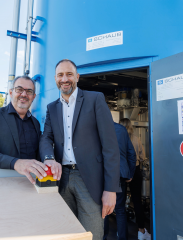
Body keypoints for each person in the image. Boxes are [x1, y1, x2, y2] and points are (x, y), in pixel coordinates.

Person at [39, 59, 121, 240]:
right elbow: (46, 137)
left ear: (77, 77)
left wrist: (111, 189)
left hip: (90, 180)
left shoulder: (95, 99)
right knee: (65, 231)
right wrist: (49, 157)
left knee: (92, 233)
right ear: (55, 79)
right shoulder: (52, 108)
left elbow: (110, 146)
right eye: (60, 75)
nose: (64, 79)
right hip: (62, 177)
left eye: (69, 74)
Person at [0, 76, 49, 184]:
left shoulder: (35, 123)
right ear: (11, 92)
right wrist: (16, 163)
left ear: (33, 96)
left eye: (29, 91)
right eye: (19, 89)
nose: (24, 94)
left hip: (30, 184)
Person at [103, 122, 136, 240]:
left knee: (104, 209)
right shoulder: (121, 129)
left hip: (105, 173)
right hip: (121, 173)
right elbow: (131, 153)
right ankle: (123, 238)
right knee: (120, 209)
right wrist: (130, 173)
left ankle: (104, 237)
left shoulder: (99, 127)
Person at [120, 118, 151, 240]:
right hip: (135, 171)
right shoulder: (136, 139)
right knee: (137, 201)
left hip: (121, 172)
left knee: (120, 202)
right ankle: (141, 231)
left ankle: (121, 232)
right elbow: (142, 157)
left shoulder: (117, 138)